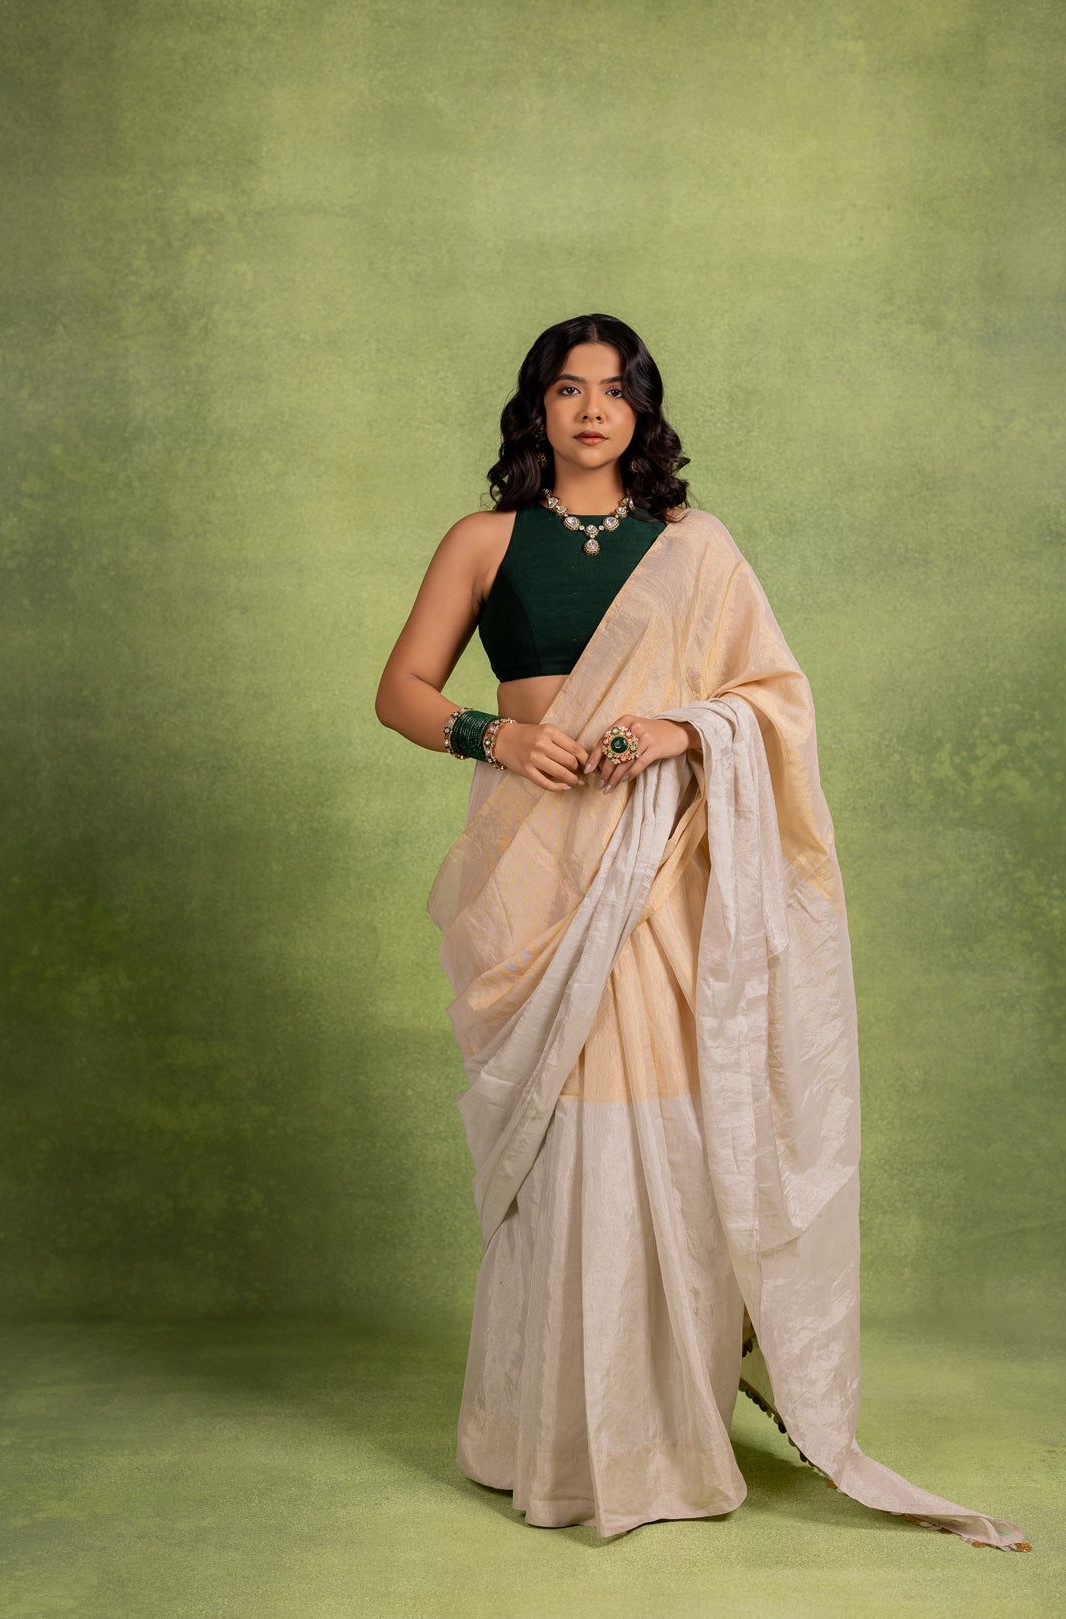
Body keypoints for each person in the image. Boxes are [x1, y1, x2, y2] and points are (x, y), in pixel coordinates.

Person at [375, 314, 1028, 1550]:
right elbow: (400, 689)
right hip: (535, 865)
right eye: (567, 390)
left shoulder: (694, 546)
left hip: (661, 862)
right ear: (536, 408)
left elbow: (769, 698)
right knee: (565, 1139)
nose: (590, 411)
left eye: (614, 392)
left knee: (660, 1124)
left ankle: (660, 1427)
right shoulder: (483, 540)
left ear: (642, 411)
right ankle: (544, 1432)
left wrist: (678, 732)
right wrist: (496, 735)